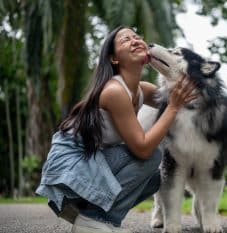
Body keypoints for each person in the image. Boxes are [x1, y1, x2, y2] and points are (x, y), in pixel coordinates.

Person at [35, 25, 198, 233]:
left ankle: (90, 216)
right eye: (125, 40)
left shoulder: (142, 90)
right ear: (114, 59)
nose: (135, 40)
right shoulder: (114, 91)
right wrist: (173, 107)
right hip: (72, 164)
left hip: (92, 160)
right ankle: (94, 219)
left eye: (137, 36)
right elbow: (142, 148)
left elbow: (188, 103)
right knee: (150, 158)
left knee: (156, 179)